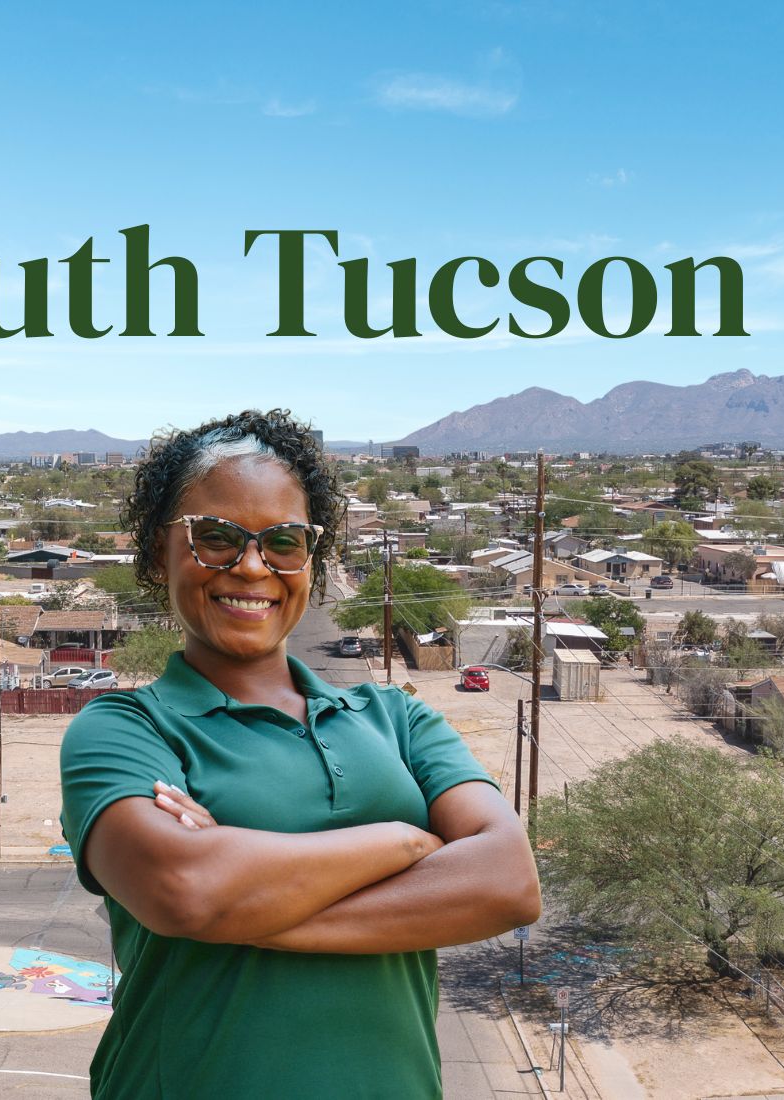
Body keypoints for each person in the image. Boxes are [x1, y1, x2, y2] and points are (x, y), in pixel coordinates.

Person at [60, 409, 540, 1099]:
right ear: (153, 554)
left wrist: (247, 907)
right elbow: (184, 889)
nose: (252, 565)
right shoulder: (127, 730)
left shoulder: (396, 718)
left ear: (310, 559)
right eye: (215, 537)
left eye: (283, 541)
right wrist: (405, 841)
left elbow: (508, 881)